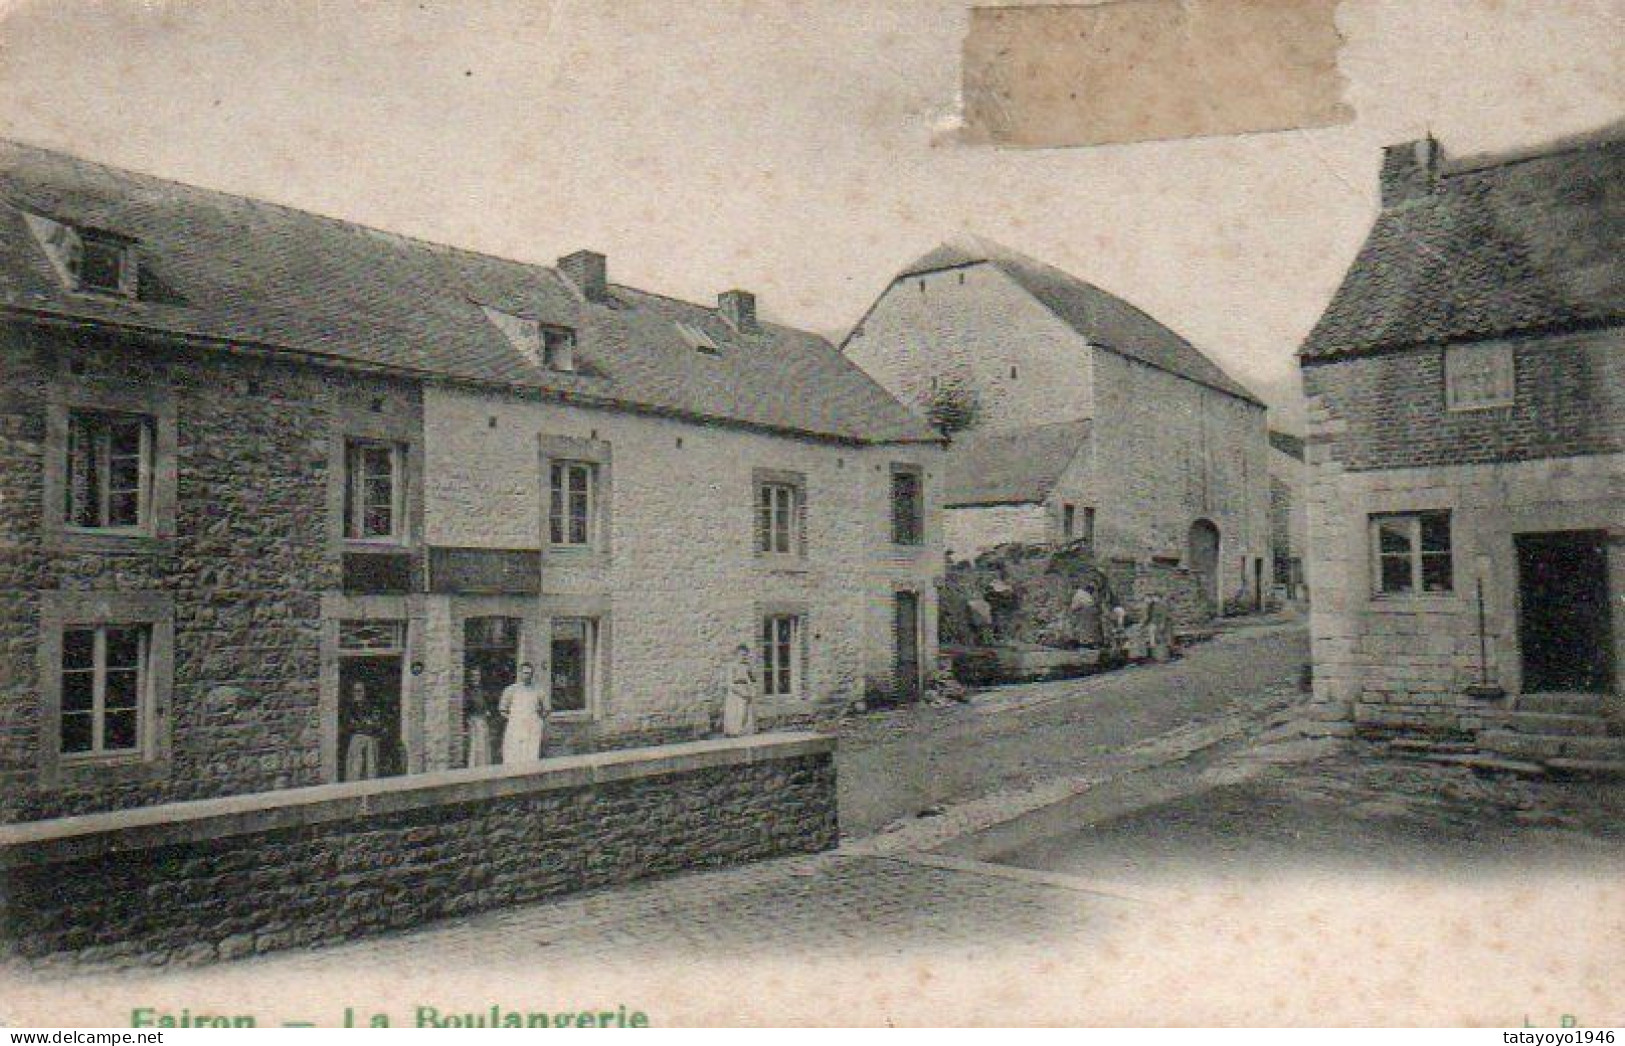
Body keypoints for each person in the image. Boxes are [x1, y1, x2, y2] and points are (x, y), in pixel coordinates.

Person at [499, 662, 548, 765]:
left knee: (531, 753)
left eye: (530, 673)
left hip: (532, 726)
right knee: (513, 753)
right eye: (525, 673)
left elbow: (547, 709)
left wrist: (538, 721)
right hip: (515, 726)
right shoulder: (510, 690)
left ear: (532, 674)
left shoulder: (538, 690)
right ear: (520, 673)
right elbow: (502, 710)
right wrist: (513, 720)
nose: (527, 676)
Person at [343, 680, 381, 781]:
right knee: (355, 772)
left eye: (360, 691)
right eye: (355, 691)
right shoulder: (350, 709)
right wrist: (364, 724)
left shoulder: (373, 708)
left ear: (365, 692)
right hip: (355, 742)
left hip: (370, 741)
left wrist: (361, 726)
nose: (357, 694)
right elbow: (348, 725)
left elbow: (376, 725)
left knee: (370, 771)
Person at [721, 643, 758, 737]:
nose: (744, 657)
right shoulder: (732, 666)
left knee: (746, 712)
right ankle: (734, 731)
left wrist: (751, 669)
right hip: (736, 692)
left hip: (745, 688)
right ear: (737, 654)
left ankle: (746, 731)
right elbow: (730, 683)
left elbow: (753, 679)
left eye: (746, 655)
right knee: (737, 712)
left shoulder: (746, 666)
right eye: (743, 655)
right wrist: (741, 692)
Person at [464, 666, 493, 768]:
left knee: (483, 744)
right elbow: (466, 706)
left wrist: (487, 710)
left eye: (477, 675)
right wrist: (468, 719)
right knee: (475, 744)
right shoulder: (467, 691)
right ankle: (473, 767)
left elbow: (486, 702)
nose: (475, 678)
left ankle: (483, 765)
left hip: (482, 719)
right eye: (473, 676)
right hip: (473, 720)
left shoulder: (482, 690)